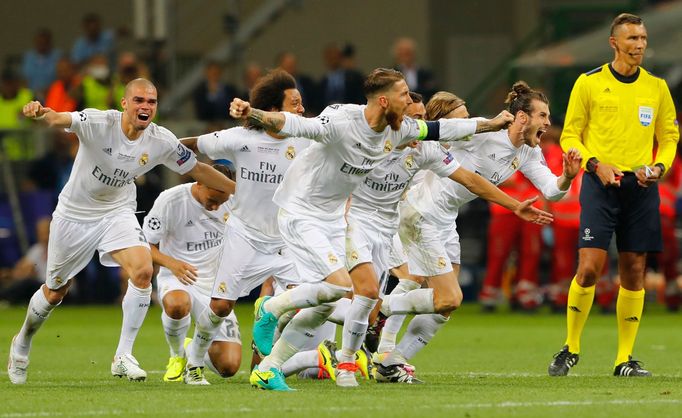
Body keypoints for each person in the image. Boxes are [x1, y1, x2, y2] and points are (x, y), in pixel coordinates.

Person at [228, 68, 520, 390]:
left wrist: (491, 124)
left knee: (335, 302)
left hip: (337, 219)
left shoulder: (399, 131)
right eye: (404, 95)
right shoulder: (342, 121)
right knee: (347, 290)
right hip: (303, 212)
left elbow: (443, 128)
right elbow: (296, 124)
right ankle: (275, 311)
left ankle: (270, 367)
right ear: (384, 100)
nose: (410, 100)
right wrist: (252, 113)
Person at [7, 78, 236, 385]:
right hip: (74, 215)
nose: (146, 107)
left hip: (117, 212)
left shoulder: (160, 140)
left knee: (142, 271)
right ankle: (22, 342)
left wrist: (239, 192)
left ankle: (122, 356)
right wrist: (41, 112)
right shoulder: (99, 122)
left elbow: (198, 170)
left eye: (152, 102)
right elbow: (59, 117)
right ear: (124, 104)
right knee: (54, 292)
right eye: (139, 100)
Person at [375, 84, 581, 382]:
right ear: (522, 117)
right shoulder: (484, 132)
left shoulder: (527, 153)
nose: (548, 123)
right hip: (422, 211)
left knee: (443, 306)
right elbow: (440, 131)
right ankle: (379, 308)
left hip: (446, 219)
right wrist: (479, 123)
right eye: (543, 115)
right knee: (444, 296)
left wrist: (567, 177)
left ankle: (392, 361)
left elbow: (551, 190)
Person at [547, 13, 679, 378]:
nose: (639, 45)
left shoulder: (656, 87)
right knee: (589, 267)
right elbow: (569, 135)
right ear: (614, 43)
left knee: (634, 270)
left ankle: (625, 358)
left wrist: (658, 169)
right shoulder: (589, 83)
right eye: (632, 38)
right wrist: (594, 164)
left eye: (643, 38)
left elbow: (669, 137)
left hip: (640, 188)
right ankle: (570, 347)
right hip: (600, 184)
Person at [179, 70, 309, 385]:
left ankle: (268, 357)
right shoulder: (241, 139)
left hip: (286, 240)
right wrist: (150, 151)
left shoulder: (306, 139)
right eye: (295, 104)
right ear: (274, 111)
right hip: (245, 236)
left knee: (304, 302)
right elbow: (193, 144)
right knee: (221, 306)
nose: (302, 110)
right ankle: (194, 362)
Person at [142, 164, 240, 385]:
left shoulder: (235, 200)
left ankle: (190, 348)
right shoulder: (170, 200)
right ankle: (177, 356)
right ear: (199, 183)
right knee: (177, 304)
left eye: (221, 202)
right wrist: (172, 264)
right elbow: (143, 245)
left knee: (229, 366)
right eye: (212, 199)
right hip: (178, 277)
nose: (216, 207)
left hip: (215, 284)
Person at [21, 29, 62, 101]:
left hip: (53, 95)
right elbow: (24, 78)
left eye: (44, 43)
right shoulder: (29, 56)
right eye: (39, 42)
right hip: (31, 96)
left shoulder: (58, 56)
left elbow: (61, 77)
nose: (41, 45)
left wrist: (48, 90)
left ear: (49, 43)